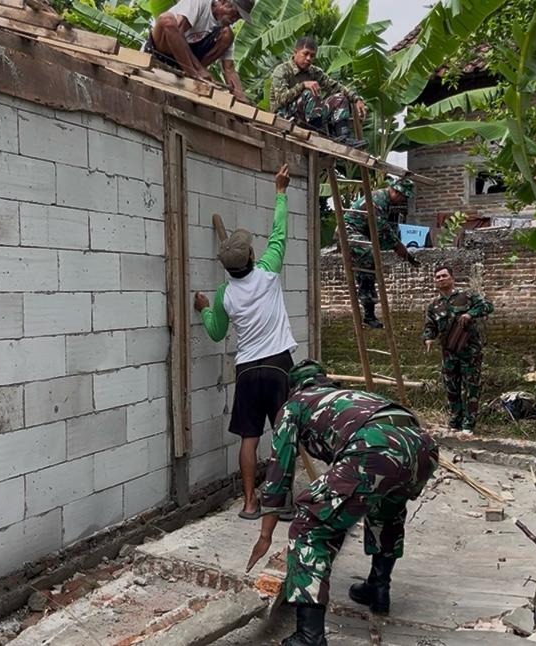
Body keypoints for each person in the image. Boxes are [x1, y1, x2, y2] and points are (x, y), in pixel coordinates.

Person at [245, 360, 439, 646]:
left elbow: (279, 471)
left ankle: (309, 636)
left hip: (374, 446)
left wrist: (265, 534)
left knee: (310, 526)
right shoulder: (348, 397)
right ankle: (378, 588)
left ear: (295, 387)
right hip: (422, 446)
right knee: (387, 511)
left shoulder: (295, 404)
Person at [194, 163, 295, 520]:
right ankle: (280, 504)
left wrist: (206, 309)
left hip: (248, 369)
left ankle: (251, 503)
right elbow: (279, 234)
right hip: (279, 364)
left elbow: (218, 333)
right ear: (252, 257)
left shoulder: (224, 294)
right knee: (284, 435)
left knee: (249, 438)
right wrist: (280, 192)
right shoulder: (268, 271)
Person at [422, 266, 495, 434]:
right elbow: (430, 325)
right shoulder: (434, 305)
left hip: (470, 351)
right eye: (438, 277)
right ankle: (455, 422)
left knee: (471, 387)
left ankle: (469, 425)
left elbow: (488, 306)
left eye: (444, 276)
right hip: (448, 352)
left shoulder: (467, 296)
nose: (441, 279)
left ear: (452, 278)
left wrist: (471, 314)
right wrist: (428, 338)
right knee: (451, 388)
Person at [147, 0, 253, 102]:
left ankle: (192, 74)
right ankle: (193, 74)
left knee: (228, 36)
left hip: (184, 64)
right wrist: (199, 70)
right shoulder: (200, 2)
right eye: (236, 13)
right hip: (161, 52)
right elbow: (178, 31)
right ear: (224, 2)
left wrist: (241, 97)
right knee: (167, 20)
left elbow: (229, 68)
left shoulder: (223, 30)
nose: (235, 19)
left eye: (239, 18)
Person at [270, 37, 367, 147]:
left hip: (310, 116)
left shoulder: (314, 71)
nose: (308, 58)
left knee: (339, 98)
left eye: (312, 56)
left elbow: (335, 86)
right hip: (285, 116)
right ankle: (317, 130)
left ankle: (344, 136)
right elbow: (281, 99)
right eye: (305, 54)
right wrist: (303, 85)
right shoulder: (282, 70)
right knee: (309, 91)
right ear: (295, 52)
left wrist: (356, 99)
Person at [346, 179, 417, 328]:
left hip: (363, 234)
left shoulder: (386, 201)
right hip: (350, 231)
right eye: (403, 196)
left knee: (369, 269)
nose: (403, 200)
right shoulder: (378, 200)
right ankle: (368, 313)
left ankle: (369, 315)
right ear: (396, 191)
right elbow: (384, 230)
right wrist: (406, 255)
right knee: (369, 256)